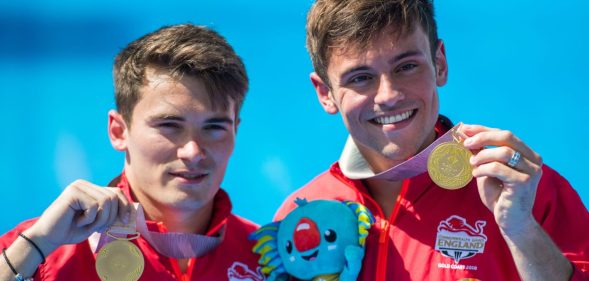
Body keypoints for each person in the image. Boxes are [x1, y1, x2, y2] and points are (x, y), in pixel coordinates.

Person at [274, 1, 589, 280]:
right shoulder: (296, 216)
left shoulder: (525, 192)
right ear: (325, 93)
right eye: (361, 77)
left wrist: (521, 232)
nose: (389, 96)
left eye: (407, 66)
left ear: (440, 63)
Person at [0, 24, 265, 281]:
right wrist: (37, 245)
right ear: (118, 131)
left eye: (214, 127)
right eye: (170, 125)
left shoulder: (269, 259)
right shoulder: (43, 249)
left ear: (235, 132)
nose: (193, 152)